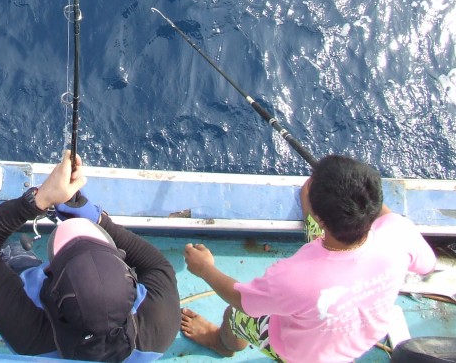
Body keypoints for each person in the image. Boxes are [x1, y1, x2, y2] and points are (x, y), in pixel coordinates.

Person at [180, 154, 437, 363]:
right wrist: (354, 193)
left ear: (321, 219)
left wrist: (205, 269)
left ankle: (220, 344)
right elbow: (427, 264)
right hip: (362, 339)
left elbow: (243, 301)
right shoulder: (400, 231)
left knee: (235, 316)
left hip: (302, 355)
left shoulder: (293, 277)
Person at [0, 150, 180, 362]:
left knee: (13, 258)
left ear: (53, 286)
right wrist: (94, 217)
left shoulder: (29, 333)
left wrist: (39, 199)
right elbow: (159, 266)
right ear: (130, 280)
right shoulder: (161, 325)